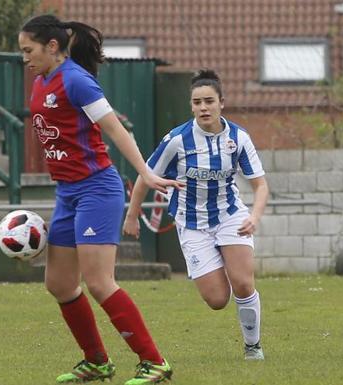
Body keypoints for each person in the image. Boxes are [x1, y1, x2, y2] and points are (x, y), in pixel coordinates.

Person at [19, 14, 183, 385]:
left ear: (53, 46)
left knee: (99, 281)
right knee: (60, 284)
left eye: (28, 49)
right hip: (68, 192)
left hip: (97, 188)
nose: (25, 57)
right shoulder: (40, 82)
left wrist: (145, 171)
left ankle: (154, 362)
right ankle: (96, 361)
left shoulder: (76, 80)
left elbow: (114, 129)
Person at [123, 69, 269, 361]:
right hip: (191, 224)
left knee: (242, 282)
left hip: (230, 215)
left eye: (209, 101)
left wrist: (254, 216)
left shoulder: (239, 138)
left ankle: (253, 346)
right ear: (191, 105)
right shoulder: (177, 140)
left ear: (221, 103)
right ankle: (217, 269)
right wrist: (132, 214)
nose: (203, 107)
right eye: (197, 102)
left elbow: (261, 185)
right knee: (217, 300)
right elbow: (145, 176)